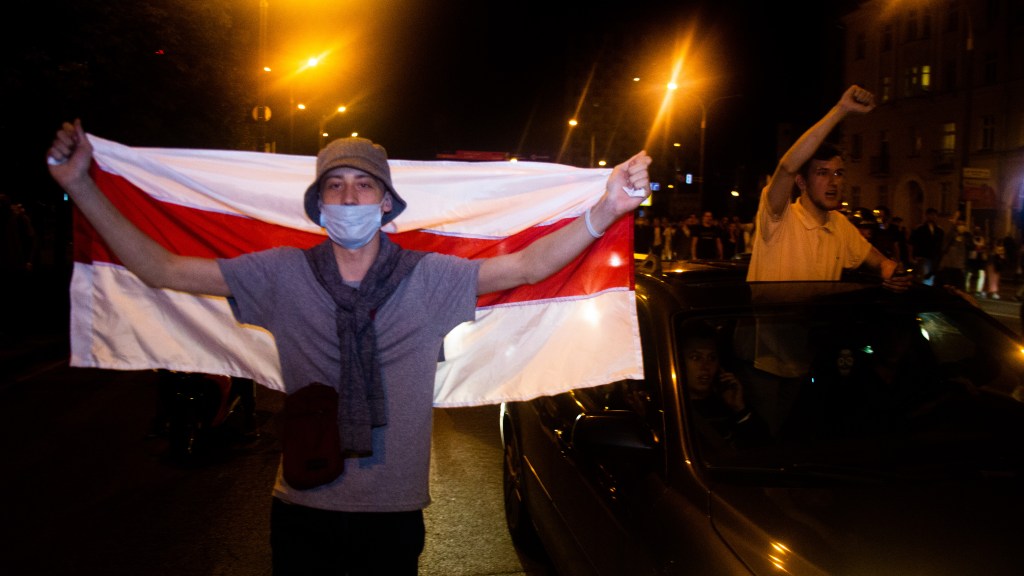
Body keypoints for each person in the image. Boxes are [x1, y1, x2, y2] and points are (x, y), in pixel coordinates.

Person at [46, 119, 652, 575]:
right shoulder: (281, 274)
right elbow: (163, 270)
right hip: (303, 506)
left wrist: (606, 209)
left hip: (392, 518)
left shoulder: (427, 276)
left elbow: (526, 263)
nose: (350, 196)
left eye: (364, 185)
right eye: (335, 186)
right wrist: (81, 187)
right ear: (320, 206)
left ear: (386, 203)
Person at [745, 85, 908, 290]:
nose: (834, 181)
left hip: (820, 322)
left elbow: (876, 259)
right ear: (801, 182)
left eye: (838, 173)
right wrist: (841, 109)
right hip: (779, 322)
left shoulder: (839, 225)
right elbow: (787, 167)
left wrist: (890, 270)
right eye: (822, 173)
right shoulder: (779, 217)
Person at [681, 322, 770, 449]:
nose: (705, 366)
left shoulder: (725, 403)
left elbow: (763, 448)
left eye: (712, 358)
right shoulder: (675, 409)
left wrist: (740, 409)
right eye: (696, 358)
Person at [907, 207, 944, 285]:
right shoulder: (920, 229)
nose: (933, 217)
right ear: (927, 216)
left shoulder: (939, 230)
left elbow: (941, 245)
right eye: (931, 215)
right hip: (922, 257)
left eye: (935, 215)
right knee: (921, 278)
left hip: (934, 258)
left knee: (932, 278)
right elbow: (911, 243)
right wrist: (911, 257)